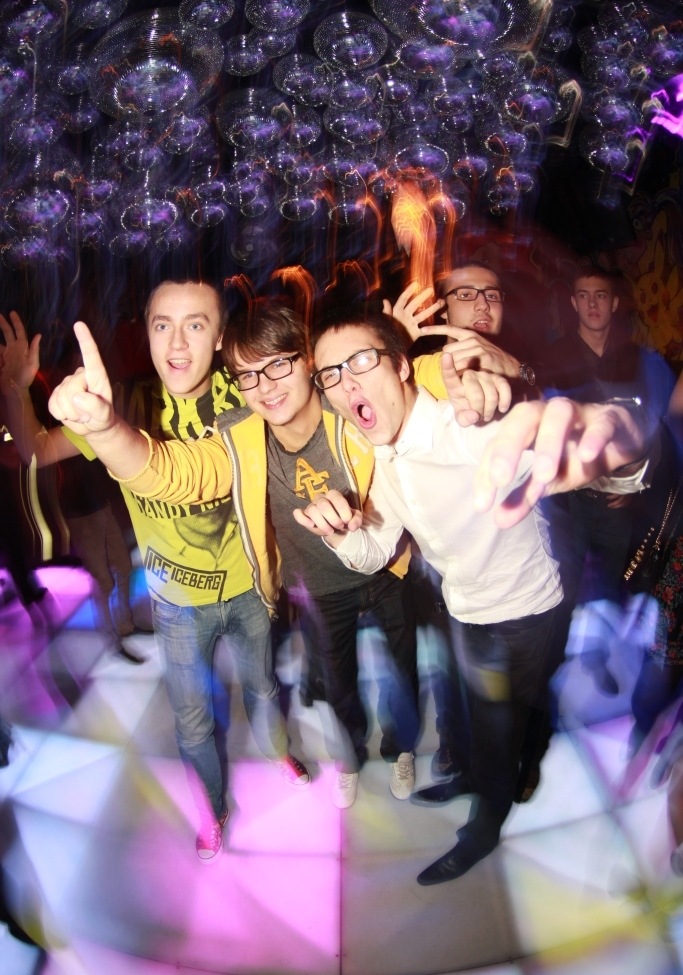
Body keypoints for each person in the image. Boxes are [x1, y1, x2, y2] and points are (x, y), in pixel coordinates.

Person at [41, 305, 510, 809]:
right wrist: (106, 431)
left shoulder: (345, 401)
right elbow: (175, 473)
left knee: (401, 675)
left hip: (386, 568)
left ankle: (401, 750)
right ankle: (349, 758)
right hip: (319, 587)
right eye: (247, 375)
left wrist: (484, 369)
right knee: (339, 688)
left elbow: (416, 376)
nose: (265, 386)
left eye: (278, 365)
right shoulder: (239, 437)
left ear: (307, 360)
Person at [289, 310, 650, 884]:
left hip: (523, 611)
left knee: (501, 728)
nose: (346, 382)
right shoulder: (382, 456)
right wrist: (337, 534)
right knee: (474, 714)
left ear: (402, 366)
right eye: (330, 374)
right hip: (464, 607)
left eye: (360, 361)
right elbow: (375, 550)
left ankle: (484, 828)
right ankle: (474, 778)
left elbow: (593, 460)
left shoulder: (470, 427)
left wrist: (623, 436)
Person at [0, 287, 309, 863]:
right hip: (177, 603)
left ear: (220, 337)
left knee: (264, 687)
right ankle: (212, 810)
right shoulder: (121, 403)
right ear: (145, 331)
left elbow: (190, 473)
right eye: (163, 325)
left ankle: (276, 750)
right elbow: (33, 449)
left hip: (247, 588)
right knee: (192, 722)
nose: (178, 343)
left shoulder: (245, 396)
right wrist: (17, 390)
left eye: (196, 325)